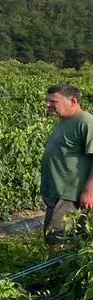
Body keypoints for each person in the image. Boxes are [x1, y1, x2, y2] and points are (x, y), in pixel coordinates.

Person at [40, 83, 93, 249]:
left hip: (70, 194)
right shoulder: (65, 121)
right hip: (58, 192)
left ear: (72, 101)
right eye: (47, 100)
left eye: (53, 101)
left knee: (59, 239)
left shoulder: (85, 122)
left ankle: (59, 266)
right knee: (56, 237)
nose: (47, 105)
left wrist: (89, 191)